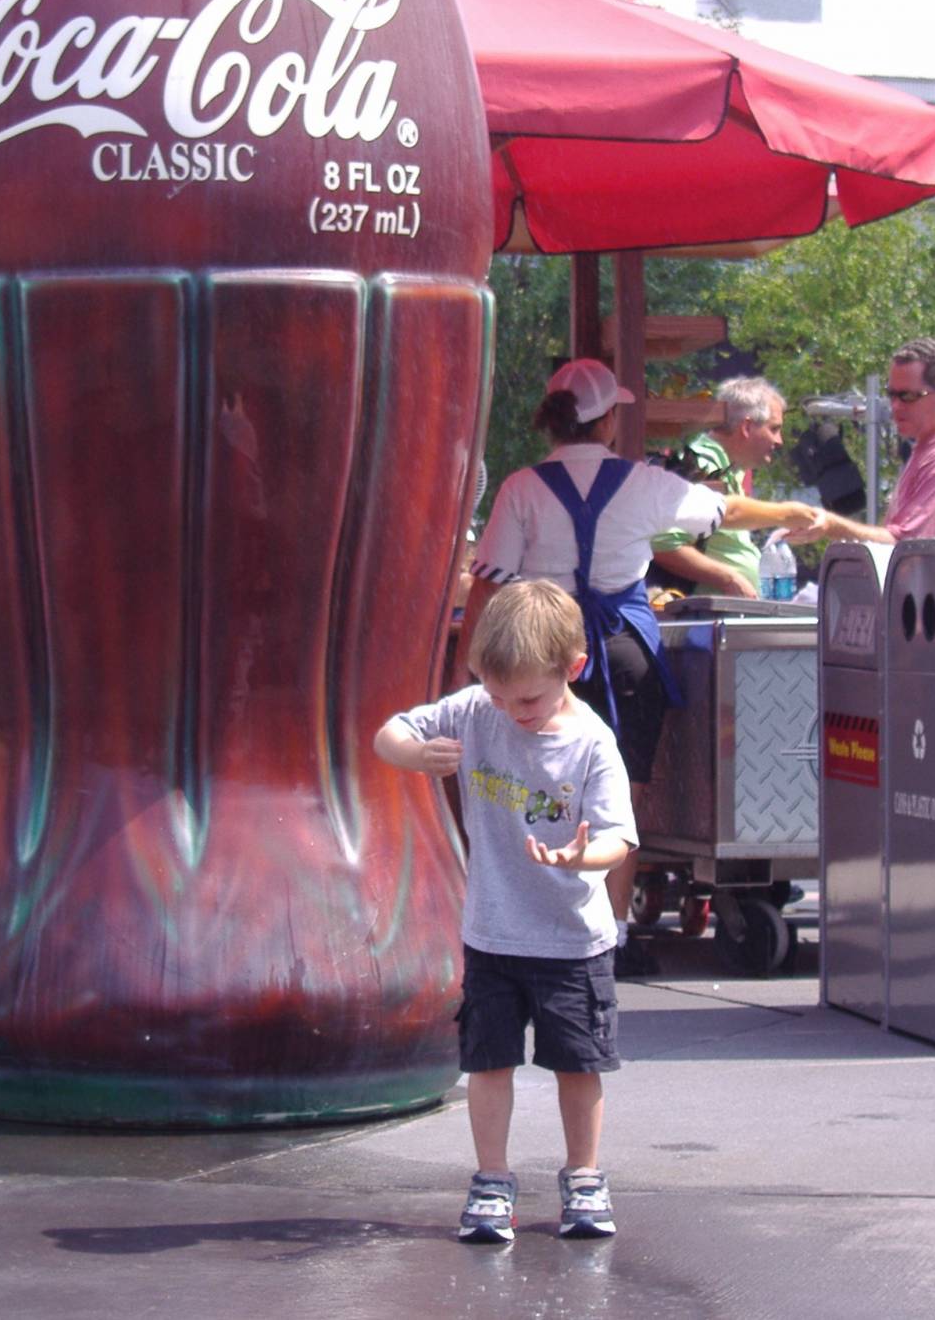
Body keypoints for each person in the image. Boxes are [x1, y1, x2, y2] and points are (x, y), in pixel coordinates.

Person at [460, 359, 823, 976]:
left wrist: (474, 667)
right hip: (624, 652)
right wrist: (786, 510)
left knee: (537, 786)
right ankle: (615, 934)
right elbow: (722, 512)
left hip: (543, 653)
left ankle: (533, 925)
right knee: (615, 794)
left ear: (553, 420)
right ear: (605, 422)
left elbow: (488, 584)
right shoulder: (640, 482)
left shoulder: (521, 488)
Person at [375, 579, 635, 1245]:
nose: (509, 710)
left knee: (579, 1064)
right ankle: (492, 1178)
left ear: (572, 670)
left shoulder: (591, 744)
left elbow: (618, 838)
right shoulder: (477, 711)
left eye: (527, 698)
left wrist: (583, 859)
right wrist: (416, 754)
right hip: (492, 934)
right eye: (496, 694)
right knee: (487, 1063)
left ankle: (584, 1174)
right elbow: (389, 733)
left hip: (572, 942)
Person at [790, 337, 935, 546]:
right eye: (891, 395)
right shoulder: (927, 448)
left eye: (907, 396)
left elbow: (904, 544)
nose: (896, 406)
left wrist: (830, 525)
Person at [649, 376, 791, 597]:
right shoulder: (702, 464)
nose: (779, 440)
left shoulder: (728, 468)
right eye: (774, 429)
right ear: (746, 427)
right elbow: (661, 541)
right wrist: (729, 578)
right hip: (699, 623)